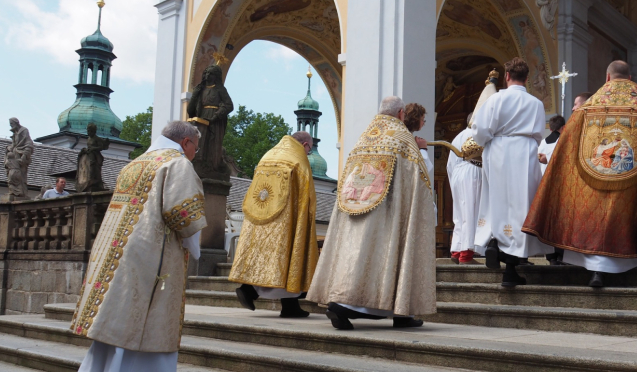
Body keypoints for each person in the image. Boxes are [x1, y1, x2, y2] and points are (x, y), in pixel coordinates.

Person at [523, 61, 637, 288]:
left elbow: (566, 147)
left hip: (593, 180)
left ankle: (596, 270)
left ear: (607, 78)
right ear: (630, 77)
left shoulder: (586, 110)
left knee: (596, 218)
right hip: (630, 183)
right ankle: (629, 265)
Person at [72, 121, 207, 372]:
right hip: (152, 260)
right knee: (144, 325)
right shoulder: (177, 164)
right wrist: (195, 248)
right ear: (185, 142)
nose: (194, 154)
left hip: (119, 256)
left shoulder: (135, 164)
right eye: (195, 149)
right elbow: (183, 215)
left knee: (118, 324)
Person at [307, 96, 435, 330]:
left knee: (355, 255)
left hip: (354, 210)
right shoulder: (401, 138)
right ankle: (359, 308)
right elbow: (421, 176)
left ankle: (340, 301)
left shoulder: (364, 139)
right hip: (387, 216)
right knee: (382, 257)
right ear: (400, 115)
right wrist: (424, 152)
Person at [471, 57, 551, 287]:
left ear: (507, 77)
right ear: (527, 78)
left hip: (497, 152)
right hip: (524, 153)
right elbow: (538, 134)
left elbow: (481, 131)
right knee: (520, 206)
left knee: (496, 201)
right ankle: (512, 263)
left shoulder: (496, 99)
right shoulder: (536, 103)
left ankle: (494, 242)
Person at [229, 131, 319, 318]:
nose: (308, 154)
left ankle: (250, 289)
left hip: (260, 218)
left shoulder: (268, 155)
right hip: (285, 221)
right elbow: (307, 198)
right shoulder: (298, 160)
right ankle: (287, 305)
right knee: (289, 259)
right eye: (309, 150)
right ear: (304, 145)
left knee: (262, 257)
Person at [447, 113, 482, 265]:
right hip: (473, 172)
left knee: (460, 214)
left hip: (457, 174)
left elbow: (450, 164)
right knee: (471, 213)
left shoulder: (458, 136)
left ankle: (457, 250)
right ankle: (466, 255)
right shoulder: (477, 135)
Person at [404, 103, 433, 173]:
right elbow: (424, 169)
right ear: (415, 119)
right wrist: (423, 149)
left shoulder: (404, 134)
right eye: (423, 119)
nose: (424, 123)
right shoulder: (407, 138)